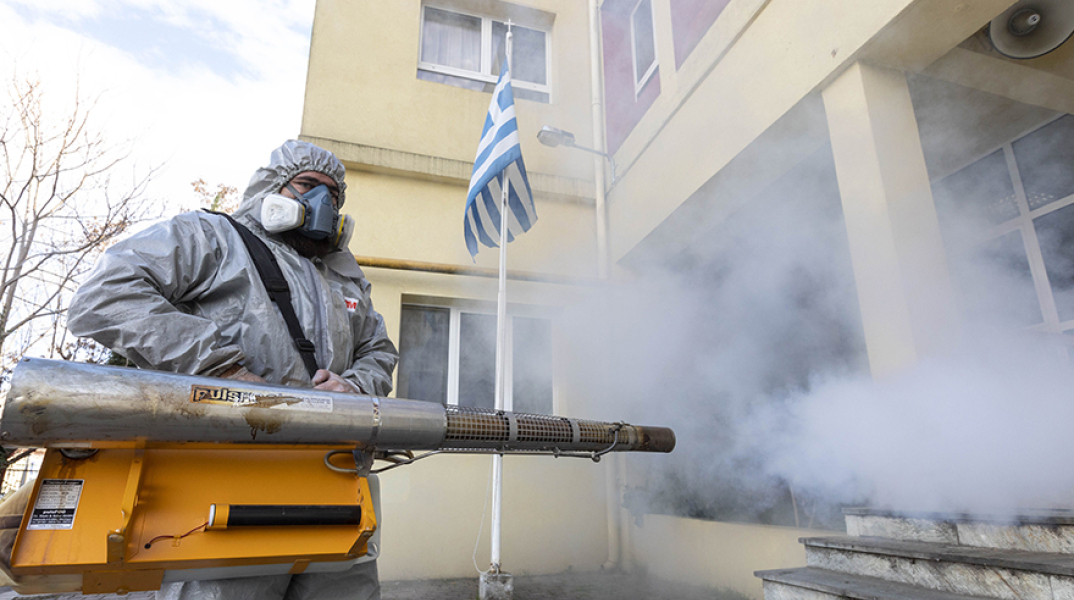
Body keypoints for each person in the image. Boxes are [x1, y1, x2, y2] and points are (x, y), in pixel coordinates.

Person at [66, 140, 397, 600]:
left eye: (333, 195)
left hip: (335, 482)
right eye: (307, 185)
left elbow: (379, 349)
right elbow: (105, 297)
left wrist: (356, 386)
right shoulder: (214, 237)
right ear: (272, 189)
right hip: (229, 483)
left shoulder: (344, 275)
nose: (323, 202)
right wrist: (220, 368)